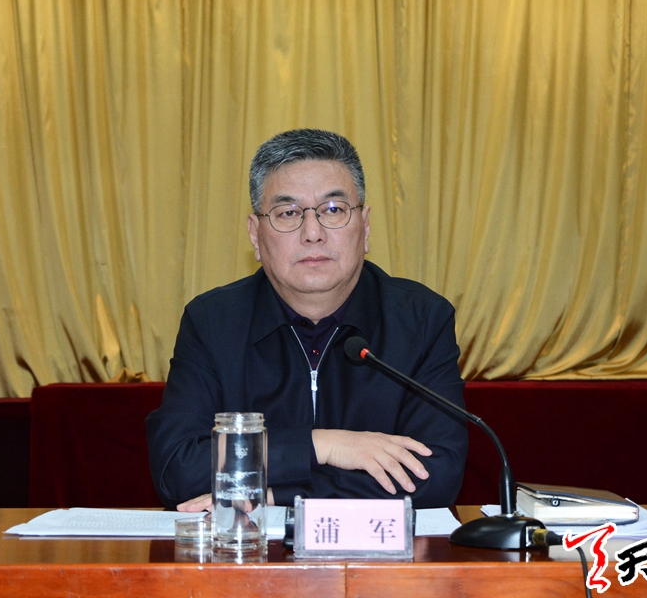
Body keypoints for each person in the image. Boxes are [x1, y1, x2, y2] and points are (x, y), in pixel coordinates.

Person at [146, 129, 468, 511]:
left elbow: (435, 474)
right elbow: (178, 468)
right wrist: (322, 445)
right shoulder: (212, 323)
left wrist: (275, 497)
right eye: (288, 213)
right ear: (255, 235)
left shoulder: (421, 320)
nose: (313, 233)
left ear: (365, 227)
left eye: (333, 210)